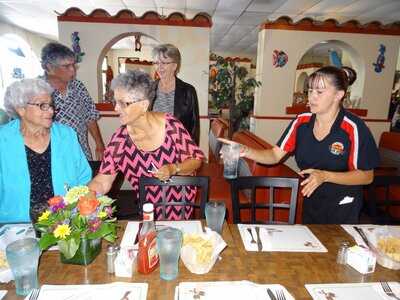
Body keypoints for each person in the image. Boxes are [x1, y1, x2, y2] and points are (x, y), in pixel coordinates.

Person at [221, 66, 380, 224]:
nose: (311, 97)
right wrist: (244, 150)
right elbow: (275, 155)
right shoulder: (301, 121)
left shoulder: (353, 127)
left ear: (338, 95)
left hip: (343, 205)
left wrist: (325, 176)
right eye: (310, 91)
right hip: (311, 200)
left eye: (319, 92)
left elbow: (367, 176)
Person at [88, 70, 204, 220]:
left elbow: (196, 160)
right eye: (115, 102)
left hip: (180, 201)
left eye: (123, 103)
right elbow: (103, 181)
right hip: (147, 207)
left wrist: (173, 168)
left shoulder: (171, 126)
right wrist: (84, 197)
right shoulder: (121, 139)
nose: (116, 108)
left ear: (144, 105)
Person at [0, 78, 91, 223]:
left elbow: (84, 177)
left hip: (64, 221)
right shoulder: (3, 140)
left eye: (51, 105)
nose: (51, 111)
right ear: (21, 109)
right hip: (15, 224)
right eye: (42, 105)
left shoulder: (66, 135)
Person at [40, 42, 105, 160]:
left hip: (81, 154)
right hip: (52, 157)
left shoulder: (78, 86)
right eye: (66, 66)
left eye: (73, 65)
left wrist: (99, 144)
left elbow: (89, 117)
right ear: (49, 67)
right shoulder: (36, 90)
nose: (73, 71)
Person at [151, 44, 200, 145]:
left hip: (179, 149)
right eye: (156, 62)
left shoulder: (189, 91)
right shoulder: (149, 89)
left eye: (164, 63)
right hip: (153, 147)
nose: (159, 67)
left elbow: (194, 128)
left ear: (174, 66)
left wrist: (192, 155)